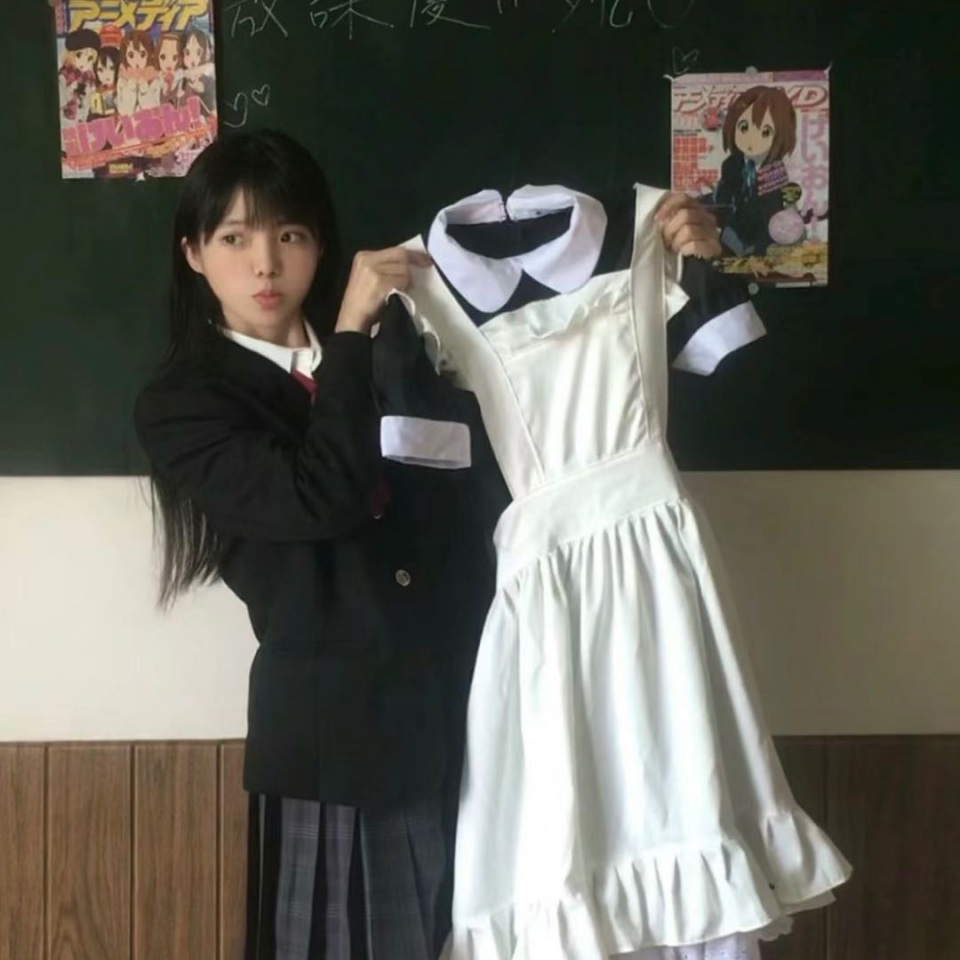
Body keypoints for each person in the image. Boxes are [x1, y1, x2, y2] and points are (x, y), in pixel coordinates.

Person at [135, 129, 725, 959]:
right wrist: (348, 336)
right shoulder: (184, 403)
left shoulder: (407, 340)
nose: (264, 264)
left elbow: (507, 465)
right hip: (343, 746)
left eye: (289, 234)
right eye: (234, 238)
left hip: (481, 713)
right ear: (194, 253)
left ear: (319, 244)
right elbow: (318, 495)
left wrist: (690, 269)